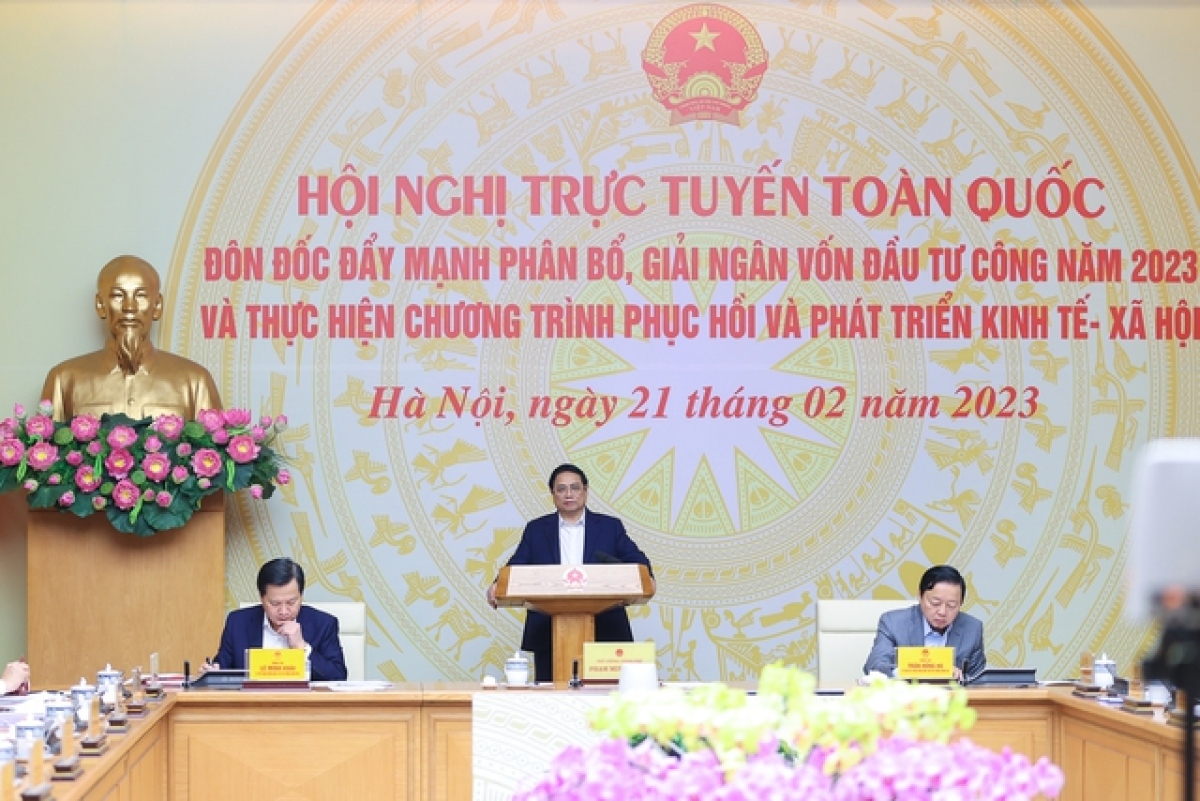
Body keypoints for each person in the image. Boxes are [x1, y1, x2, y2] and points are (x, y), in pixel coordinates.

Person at [487, 463, 653, 682]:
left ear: (585, 490)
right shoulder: (537, 529)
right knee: (552, 696)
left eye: (575, 488)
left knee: (603, 697)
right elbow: (516, 565)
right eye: (561, 489)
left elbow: (637, 561)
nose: (569, 494)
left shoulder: (609, 527)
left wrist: (648, 578)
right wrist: (498, 584)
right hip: (549, 630)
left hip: (605, 627)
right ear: (553, 494)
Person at [41, 255, 222, 421]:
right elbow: (44, 443)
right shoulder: (63, 380)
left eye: (141, 296)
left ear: (157, 306)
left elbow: (215, 444)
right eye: (118, 296)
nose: (129, 307)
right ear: (100, 305)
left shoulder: (195, 382)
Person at [203, 557, 348, 682]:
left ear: (301, 596)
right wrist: (212, 673)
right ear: (262, 598)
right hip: (253, 704)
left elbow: (338, 677)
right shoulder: (238, 623)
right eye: (275, 603)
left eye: (291, 602)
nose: (284, 611)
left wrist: (301, 647)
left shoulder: (323, 624)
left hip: (303, 705)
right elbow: (222, 669)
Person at [862, 564, 986, 682]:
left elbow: (979, 680)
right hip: (906, 695)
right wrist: (937, 670)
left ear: (961, 603)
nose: (942, 612)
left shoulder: (973, 629)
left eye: (951, 605)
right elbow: (875, 666)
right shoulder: (893, 623)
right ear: (919, 596)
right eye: (935, 603)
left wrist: (961, 678)